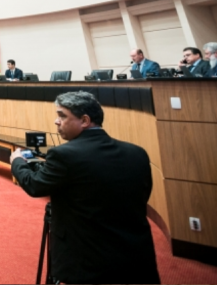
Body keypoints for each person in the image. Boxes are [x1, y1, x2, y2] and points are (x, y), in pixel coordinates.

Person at [10, 92, 159, 284]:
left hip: (89, 260)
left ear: (85, 120)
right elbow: (141, 197)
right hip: (135, 256)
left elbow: (35, 185)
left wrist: (17, 163)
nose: (57, 121)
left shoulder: (64, 155)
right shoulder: (137, 153)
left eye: (62, 116)